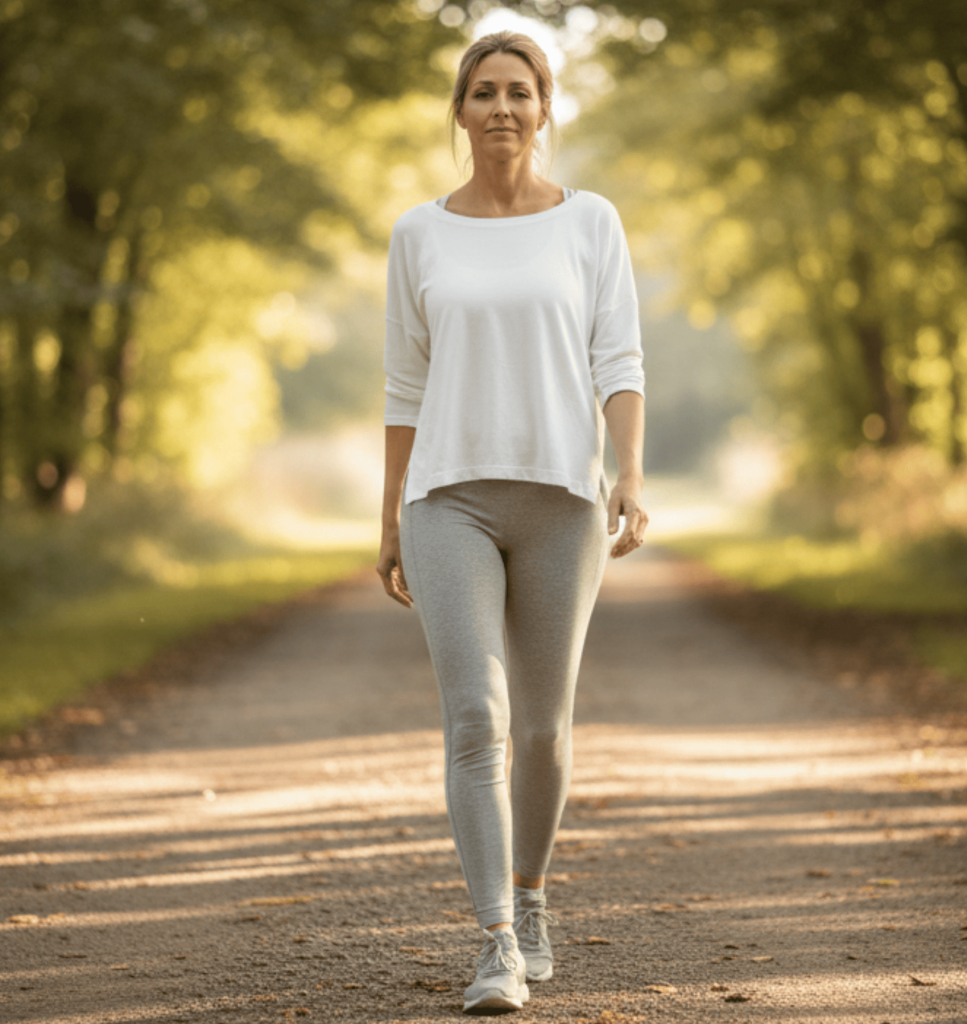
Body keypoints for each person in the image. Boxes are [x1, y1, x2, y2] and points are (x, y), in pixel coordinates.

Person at [376, 29, 647, 1016]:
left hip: (561, 502)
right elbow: (405, 385)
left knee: (541, 724)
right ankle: (495, 940)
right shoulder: (419, 233)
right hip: (446, 496)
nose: (500, 107)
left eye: (518, 91)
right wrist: (389, 515)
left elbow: (619, 360)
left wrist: (630, 473)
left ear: (543, 109)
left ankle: (531, 899)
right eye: (482, 91)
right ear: (460, 110)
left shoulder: (590, 223)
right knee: (475, 718)